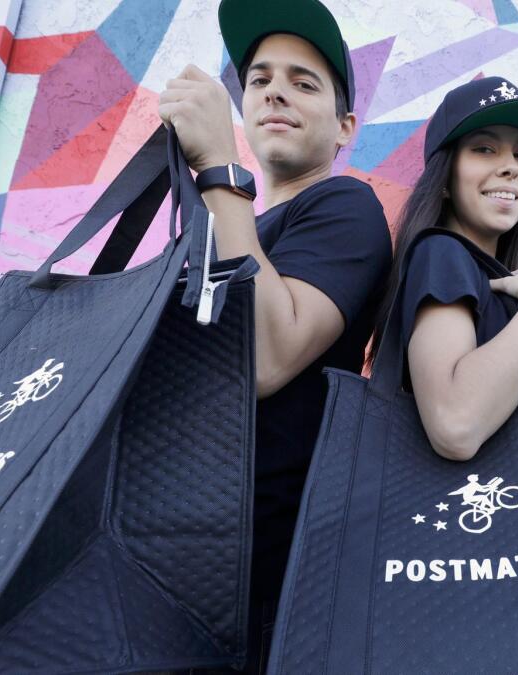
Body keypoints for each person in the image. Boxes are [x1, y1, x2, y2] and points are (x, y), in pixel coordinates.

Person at [157, 0, 391, 669]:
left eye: (303, 81)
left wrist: (221, 174)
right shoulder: (231, 227)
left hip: (264, 572)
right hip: (178, 555)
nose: (275, 91)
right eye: (259, 80)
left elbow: (262, 356)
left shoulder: (345, 205)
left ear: (346, 126)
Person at [367, 76, 518, 462]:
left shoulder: (508, 286)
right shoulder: (441, 253)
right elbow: (455, 425)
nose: (511, 167)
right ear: (445, 179)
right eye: (484, 149)